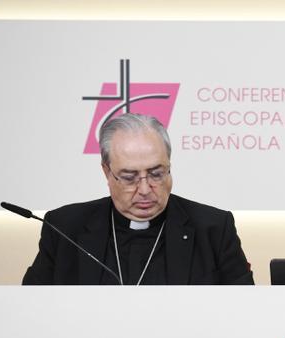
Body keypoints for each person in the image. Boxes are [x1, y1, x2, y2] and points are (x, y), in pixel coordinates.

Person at [22, 113, 254, 285]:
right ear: (106, 172)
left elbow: (246, 311)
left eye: (156, 174)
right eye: (129, 177)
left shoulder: (213, 229)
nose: (145, 189)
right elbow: (30, 308)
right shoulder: (64, 229)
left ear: (169, 166)